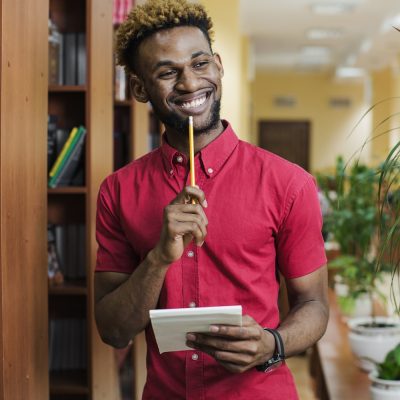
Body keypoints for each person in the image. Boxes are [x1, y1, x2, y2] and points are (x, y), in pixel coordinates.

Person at [94, 0, 329, 398]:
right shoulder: (117, 190)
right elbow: (114, 331)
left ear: (219, 66)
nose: (188, 83)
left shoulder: (290, 183)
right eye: (168, 72)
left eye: (200, 64)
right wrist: (158, 258)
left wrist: (273, 344)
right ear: (139, 88)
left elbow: (315, 306)